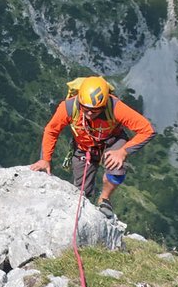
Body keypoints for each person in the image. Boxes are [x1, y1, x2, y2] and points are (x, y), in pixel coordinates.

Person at [29, 76, 155, 217]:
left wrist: (123, 152)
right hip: (84, 147)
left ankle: (104, 198)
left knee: (116, 170)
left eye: (95, 110)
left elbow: (147, 129)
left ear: (104, 104)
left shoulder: (115, 107)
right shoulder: (69, 107)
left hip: (112, 141)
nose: (89, 113)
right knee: (81, 192)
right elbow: (52, 130)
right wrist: (45, 159)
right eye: (86, 108)